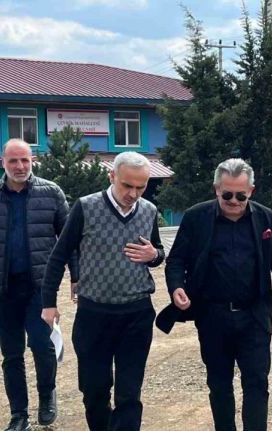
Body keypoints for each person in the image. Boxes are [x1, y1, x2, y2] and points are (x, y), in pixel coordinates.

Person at [156, 158, 272, 431]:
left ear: (251, 191)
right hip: (212, 316)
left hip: (254, 316)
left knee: (257, 383)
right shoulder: (196, 217)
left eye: (241, 195)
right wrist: (176, 288)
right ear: (216, 189)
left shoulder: (265, 217)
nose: (234, 201)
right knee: (219, 385)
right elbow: (176, 260)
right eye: (227, 195)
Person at [41, 151, 164, 431]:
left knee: (129, 394)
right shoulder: (86, 207)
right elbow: (59, 256)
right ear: (112, 177)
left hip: (137, 313)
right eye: (127, 185)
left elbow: (157, 252)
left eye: (141, 186)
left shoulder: (149, 210)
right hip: (94, 314)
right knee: (94, 390)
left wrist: (154, 255)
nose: (133, 193)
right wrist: (49, 303)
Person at [0, 138, 75, 431]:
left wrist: (77, 277)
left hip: (40, 287)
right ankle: (19, 415)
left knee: (41, 344)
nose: (20, 166)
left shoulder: (51, 193)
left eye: (25, 160)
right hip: (4, 288)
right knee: (11, 354)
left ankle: (47, 396)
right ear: (3, 162)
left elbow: (69, 240)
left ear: (32, 161)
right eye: (13, 161)